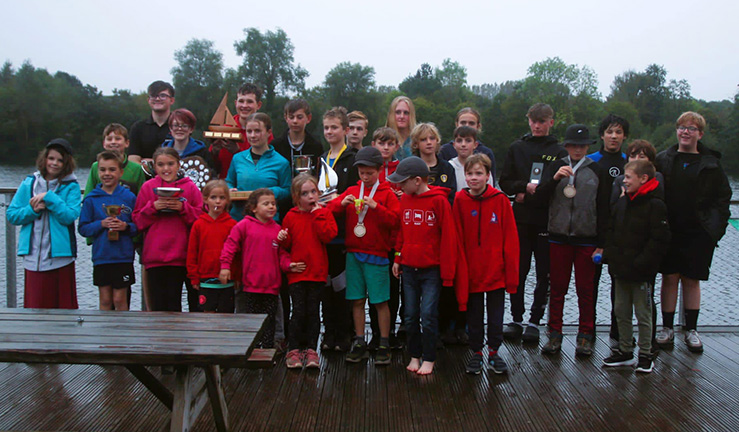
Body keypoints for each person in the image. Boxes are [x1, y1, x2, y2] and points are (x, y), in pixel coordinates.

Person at [654, 111, 731, 353]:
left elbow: (723, 199)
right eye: (682, 128)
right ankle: (666, 328)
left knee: (691, 280)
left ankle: (691, 330)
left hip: (698, 233)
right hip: (669, 230)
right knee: (669, 278)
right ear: (677, 131)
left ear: (700, 134)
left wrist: (714, 230)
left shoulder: (711, 164)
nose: (686, 132)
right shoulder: (663, 159)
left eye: (691, 128)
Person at [535, 124, 610, 356]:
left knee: (585, 290)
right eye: (573, 145)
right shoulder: (556, 166)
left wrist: (602, 242)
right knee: (557, 289)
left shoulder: (597, 170)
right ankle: (554, 335)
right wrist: (554, 179)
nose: (577, 149)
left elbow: (605, 209)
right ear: (566, 146)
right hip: (558, 237)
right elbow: (539, 198)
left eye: (582, 145)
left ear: (588, 146)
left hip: (587, 239)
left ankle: (585, 336)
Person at [499, 103, 567, 343]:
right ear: (528, 121)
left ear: (551, 122)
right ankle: (516, 318)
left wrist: (529, 193)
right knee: (518, 270)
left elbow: (554, 186)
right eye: (534, 121)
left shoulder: (559, 151)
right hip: (520, 220)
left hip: (547, 220)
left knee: (544, 274)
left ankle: (535, 321)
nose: (537, 126)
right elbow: (504, 182)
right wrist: (521, 188)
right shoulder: (517, 147)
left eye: (542, 121)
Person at [328, 147, 400, 364]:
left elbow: (396, 221)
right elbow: (331, 210)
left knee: (380, 301)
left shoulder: (387, 194)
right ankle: (359, 340)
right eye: (362, 173)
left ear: (379, 170)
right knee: (357, 300)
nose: (365, 177)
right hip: (354, 254)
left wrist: (377, 207)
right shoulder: (351, 190)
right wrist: (340, 203)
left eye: (370, 172)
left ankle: (384, 342)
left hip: (377, 255)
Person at [389, 156, 458, 375]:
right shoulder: (405, 200)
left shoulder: (439, 201)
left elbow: (448, 237)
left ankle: (429, 357)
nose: (399, 186)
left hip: (431, 270)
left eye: (403, 181)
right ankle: (414, 355)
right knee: (410, 315)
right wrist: (398, 257)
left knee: (428, 315)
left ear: (417, 180)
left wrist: (447, 273)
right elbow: (402, 231)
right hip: (409, 268)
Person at [453, 154, 519, 375]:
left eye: (479, 173)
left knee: (496, 315)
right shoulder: (460, 201)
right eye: (470, 174)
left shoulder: (500, 200)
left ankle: (494, 351)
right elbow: (457, 237)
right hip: (471, 270)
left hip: (495, 270)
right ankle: (476, 352)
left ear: (488, 176)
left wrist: (511, 273)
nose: (474, 178)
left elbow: (510, 237)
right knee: (474, 314)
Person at [603, 160, 670, 373]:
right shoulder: (622, 203)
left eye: (629, 177)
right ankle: (625, 351)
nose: (624, 180)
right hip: (620, 269)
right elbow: (612, 232)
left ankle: (646, 354)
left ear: (643, 179)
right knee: (621, 310)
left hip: (642, 272)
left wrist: (642, 264)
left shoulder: (656, 205)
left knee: (643, 314)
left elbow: (659, 240)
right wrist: (611, 259)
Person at [220, 189, 300, 348]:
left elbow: (281, 253)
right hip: (250, 285)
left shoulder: (278, 229)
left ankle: (270, 349)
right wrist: (225, 267)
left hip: (271, 285)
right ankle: (250, 348)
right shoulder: (243, 226)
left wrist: (288, 265)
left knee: (270, 320)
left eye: (273, 204)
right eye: (266, 204)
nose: (271, 207)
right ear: (253, 208)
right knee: (250, 320)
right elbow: (230, 246)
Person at [7, 138, 80, 309]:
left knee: (62, 313)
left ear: (66, 163)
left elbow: (69, 216)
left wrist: (50, 198)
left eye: (60, 160)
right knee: (35, 309)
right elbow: (12, 215)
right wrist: (33, 211)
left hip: (61, 259)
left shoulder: (72, 186)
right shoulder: (29, 183)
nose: (54, 163)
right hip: (33, 259)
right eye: (51, 158)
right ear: (45, 158)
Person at [132, 147, 203, 312]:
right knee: (158, 306)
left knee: (175, 304)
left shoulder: (190, 187)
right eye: (161, 165)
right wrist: (153, 207)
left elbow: (200, 220)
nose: (166, 169)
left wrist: (182, 208)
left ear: (178, 165)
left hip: (181, 256)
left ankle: (179, 337)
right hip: (155, 257)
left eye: (170, 164)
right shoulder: (148, 187)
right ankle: (160, 337)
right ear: (154, 167)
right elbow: (137, 222)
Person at [410, 123, 460, 346]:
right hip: (417, 234)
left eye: (432, 138)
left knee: (439, 284)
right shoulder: (411, 168)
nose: (429, 143)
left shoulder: (446, 168)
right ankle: (413, 332)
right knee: (413, 294)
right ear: (416, 144)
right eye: (423, 139)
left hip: (439, 233)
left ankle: (440, 329)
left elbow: (450, 199)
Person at [280, 174, 338, 368]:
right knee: (298, 311)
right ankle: (294, 349)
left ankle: (312, 350)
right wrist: (282, 237)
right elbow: (287, 245)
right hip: (297, 272)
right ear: (297, 197)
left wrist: (318, 214)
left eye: (313, 192)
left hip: (317, 272)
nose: (310, 196)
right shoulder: (290, 216)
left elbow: (328, 236)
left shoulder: (324, 213)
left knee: (313, 311)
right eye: (305, 193)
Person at [78, 151, 138, 311]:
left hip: (123, 257)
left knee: (120, 299)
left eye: (112, 170)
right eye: (103, 170)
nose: (107, 174)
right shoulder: (91, 199)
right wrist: (101, 224)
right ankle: (106, 333)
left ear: (120, 172)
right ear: (97, 172)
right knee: (105, 300)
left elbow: (138, 226)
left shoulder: (129, 197)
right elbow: (83, 228)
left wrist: (125, 227)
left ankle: (123, 333)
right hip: (102, 257)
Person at [320, 107, 359, 352]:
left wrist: (337, 199)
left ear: (345, 130)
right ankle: (329, 333)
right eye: (326, 128)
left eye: (334, 127)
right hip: (325, 231)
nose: (330, 132)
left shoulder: (353, 158)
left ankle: (345, 334)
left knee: (342, 286)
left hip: (344, 233)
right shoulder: (323, 157)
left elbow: (354, 192)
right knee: (326, 286)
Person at [587, 114, 629, 339]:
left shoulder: (628, 161)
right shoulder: (591, 160)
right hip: (593, 229)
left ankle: (618, 328)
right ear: (602, 135)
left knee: (620, 284)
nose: (614, 136)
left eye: (618, 132)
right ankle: (588, 328)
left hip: (620, 232)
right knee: (590, 283)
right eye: (609, 132)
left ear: (624, 136)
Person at [368, 126, 403, 350]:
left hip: (395, 239)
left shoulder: (402, 169)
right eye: (382, 143)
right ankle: (375, 332)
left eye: (390, 144)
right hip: (373, 238)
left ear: (397, 147)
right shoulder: (370, 170)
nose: (386, 147)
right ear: (374, 145)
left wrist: (401, 195)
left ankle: (390, 332)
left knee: (392, 288)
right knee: (375, 288)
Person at [225, 113, 291, 222]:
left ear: (269, 133)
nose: (252, 135)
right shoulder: (237, 158)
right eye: (249, 131)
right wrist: (229, 189)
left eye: (257, 131)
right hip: (239, 219)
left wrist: (271, 192)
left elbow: (288, 191)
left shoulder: (281, 162)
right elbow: (229, 181)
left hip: (267, 222)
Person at [186, 180, 239, 313]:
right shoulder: (199, 225)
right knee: (207, 314)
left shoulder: (232, 225)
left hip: (227, 278)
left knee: (226, 313)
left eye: (222, 198)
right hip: (205, 277)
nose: (217, 201)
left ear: (227, 200)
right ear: (205, 200)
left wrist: (238, 275)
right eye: (213, 197)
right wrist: (194, 276)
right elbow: (192, 252)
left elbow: (238, 253)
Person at [272, 99, 323, 221]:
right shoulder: (276, 146)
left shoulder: (316, 146)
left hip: (309, 205)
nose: (295, 121)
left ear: (308, 118)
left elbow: (319, 175)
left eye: (300, 117)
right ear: (286, 118)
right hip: (283, 204)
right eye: (291, 117)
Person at [84, 124, 146, 197]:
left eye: (118, 139)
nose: (113, 142)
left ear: (127, 143)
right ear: (104, 144)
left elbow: (141, 198)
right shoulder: (96, 166)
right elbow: (88, 195)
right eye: (109, 139)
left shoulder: (136, 169)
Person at [439, 108, 496, 179]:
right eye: (463, 123)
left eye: (471, 123)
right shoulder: (445, 150)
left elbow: (490, 181)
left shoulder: (486, 152)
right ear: (457, 124)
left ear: (478, 126)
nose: (467, 126)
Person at [128, 80, 175, 164]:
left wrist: (150, 163)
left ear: (171, 100)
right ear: (148, 100)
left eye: (163, 96)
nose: (157, 99)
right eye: (153, 96)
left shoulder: (179, 127)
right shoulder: (138, 128)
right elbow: (133, 160)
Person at [161, 108, 216, 174]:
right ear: (170, 128)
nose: (179, 129)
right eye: (176, 125)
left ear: (191, 129)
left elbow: (211, 175)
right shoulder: (162, 151)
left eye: (184, 126)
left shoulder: (202, 152)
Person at [449, 126, 494, 192]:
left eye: (468, 141)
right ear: (454, 145)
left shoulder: (483, 167)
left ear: (475, 144)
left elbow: (490, 192)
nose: (463, 144)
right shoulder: (448, 166)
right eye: (459, 141)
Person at [233, 83, 273, 147]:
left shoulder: (264, 131)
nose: (244, 105)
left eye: (249, 101)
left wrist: (236, 151)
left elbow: (266, 156)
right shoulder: (226, 127)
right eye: (241, 101)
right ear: (236, 103)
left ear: (259, 105)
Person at [385, 96, 417, 160]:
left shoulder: (417, 140)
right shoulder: (383, 139)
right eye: (398, 112)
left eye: (406, 113)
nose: (402, 116)